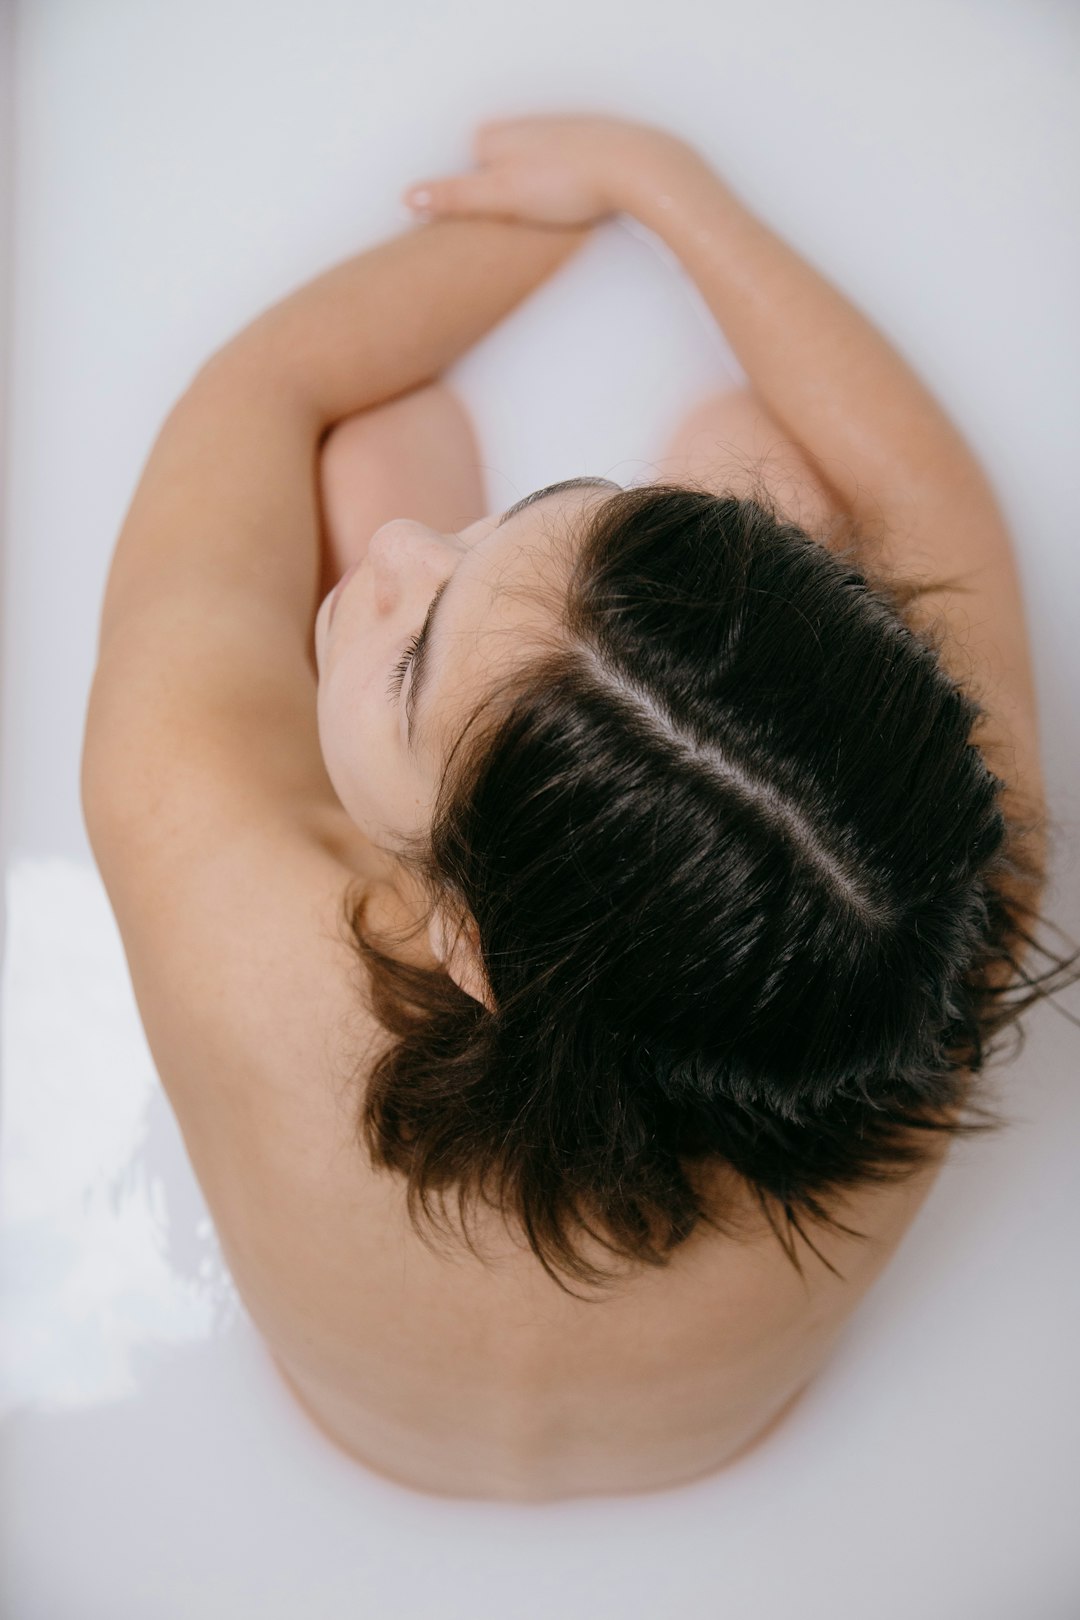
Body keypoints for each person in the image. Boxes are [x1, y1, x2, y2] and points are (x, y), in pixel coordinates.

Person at [82, 114, 1078, 1502]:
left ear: (468, 946)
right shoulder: (918, 941)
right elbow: (918, 492)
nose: (402, 552)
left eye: (413, 655)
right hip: (726, 1444)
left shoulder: (213, 874)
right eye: (540, 506)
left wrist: (597, 197)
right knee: (755, 450)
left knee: (383, 435)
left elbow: (265, 392)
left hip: (350, 1433)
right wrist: (659, 189)